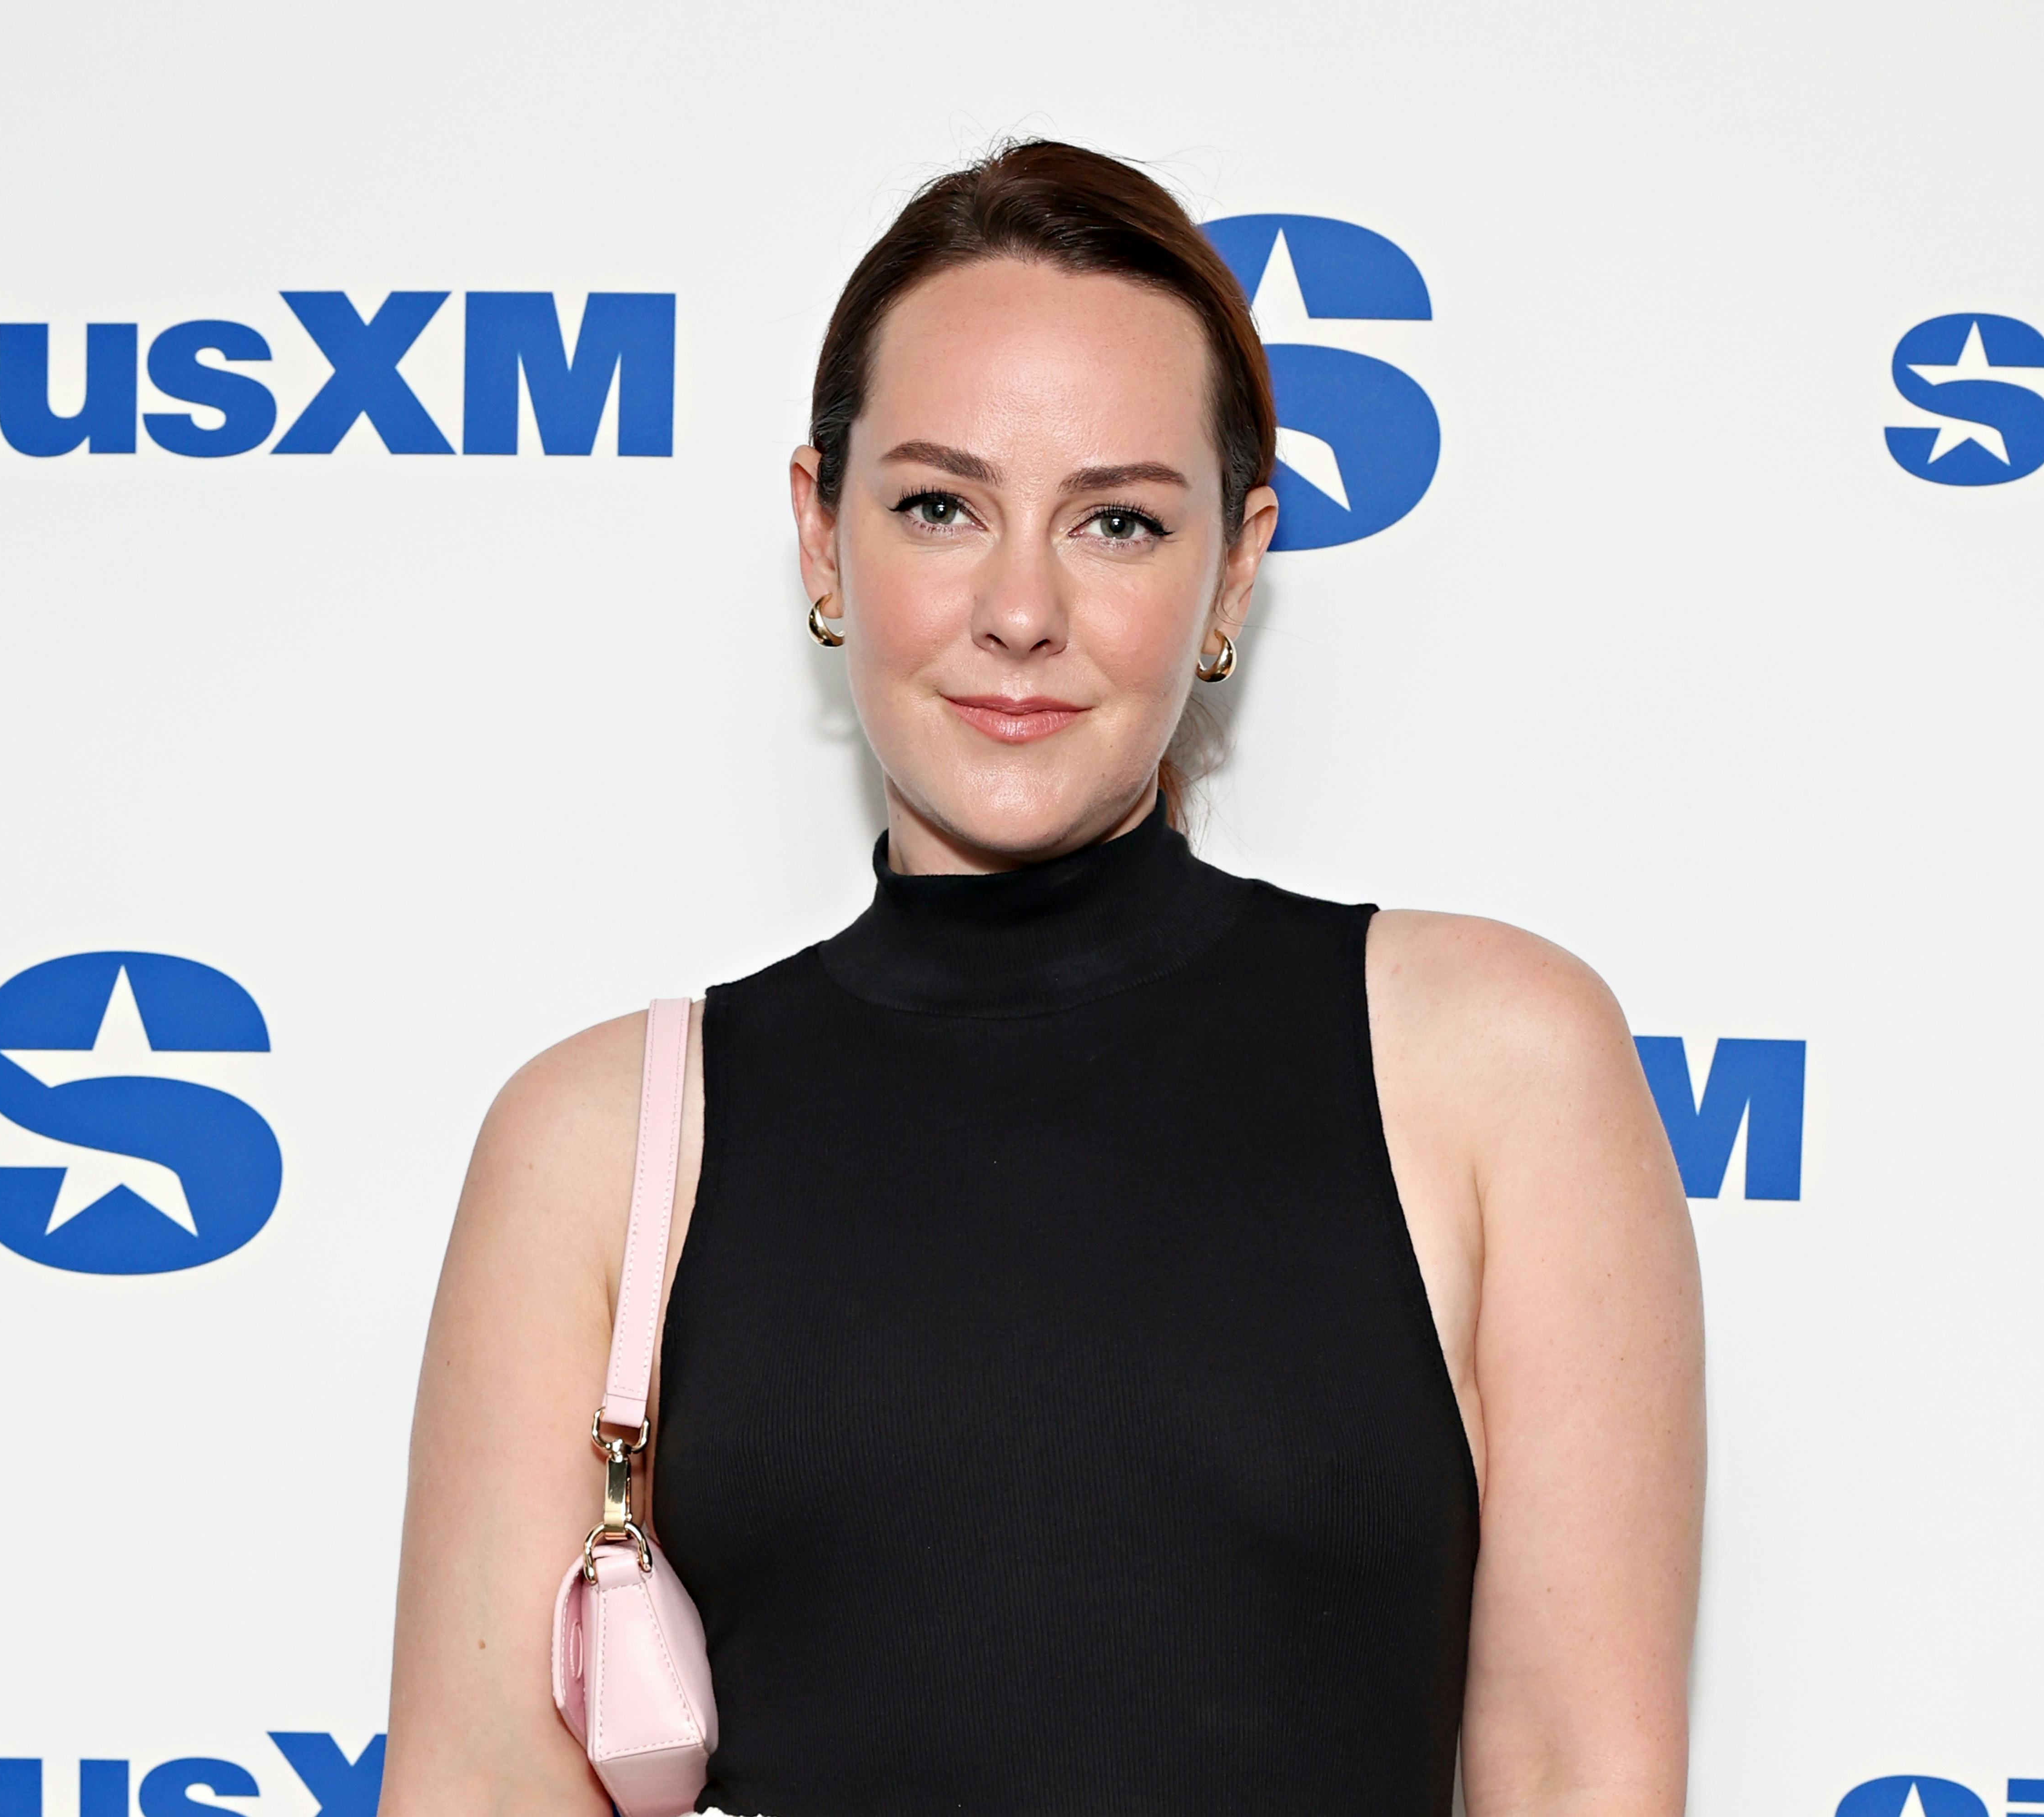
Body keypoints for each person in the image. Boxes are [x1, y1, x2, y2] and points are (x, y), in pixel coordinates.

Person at [378, 139, 1702, 1817]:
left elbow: (1580, 1772)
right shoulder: (601, 1142)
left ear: (1234, 569)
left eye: (1118, 522)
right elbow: (486, 1786)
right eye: (940, 506)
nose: (1022, 610)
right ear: (822, 536)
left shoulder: (1499, 1067)